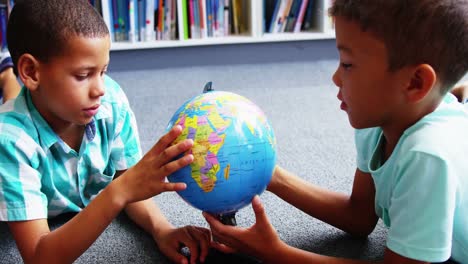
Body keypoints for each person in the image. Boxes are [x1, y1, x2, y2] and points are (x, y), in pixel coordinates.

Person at [203, 0, 468, 263]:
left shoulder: (427, 155)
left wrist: (276, 253)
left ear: (415, 83)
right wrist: (269, 175)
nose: (335, 77)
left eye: (348, 64)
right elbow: (359, 217)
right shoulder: (378, 124)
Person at [0, 1, 211, 264]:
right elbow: (40, 257)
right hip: (17, 123)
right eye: (83, 75)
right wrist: (117, 192)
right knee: (14, 104)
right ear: (31, 71)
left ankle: (5, 72)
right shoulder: (10, 141)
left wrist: (161, 228)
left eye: (103, 71)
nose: (100, 88)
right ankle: (8, 76)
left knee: (30, 99)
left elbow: (129, 183)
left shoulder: (110, 103)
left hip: (38, 101)